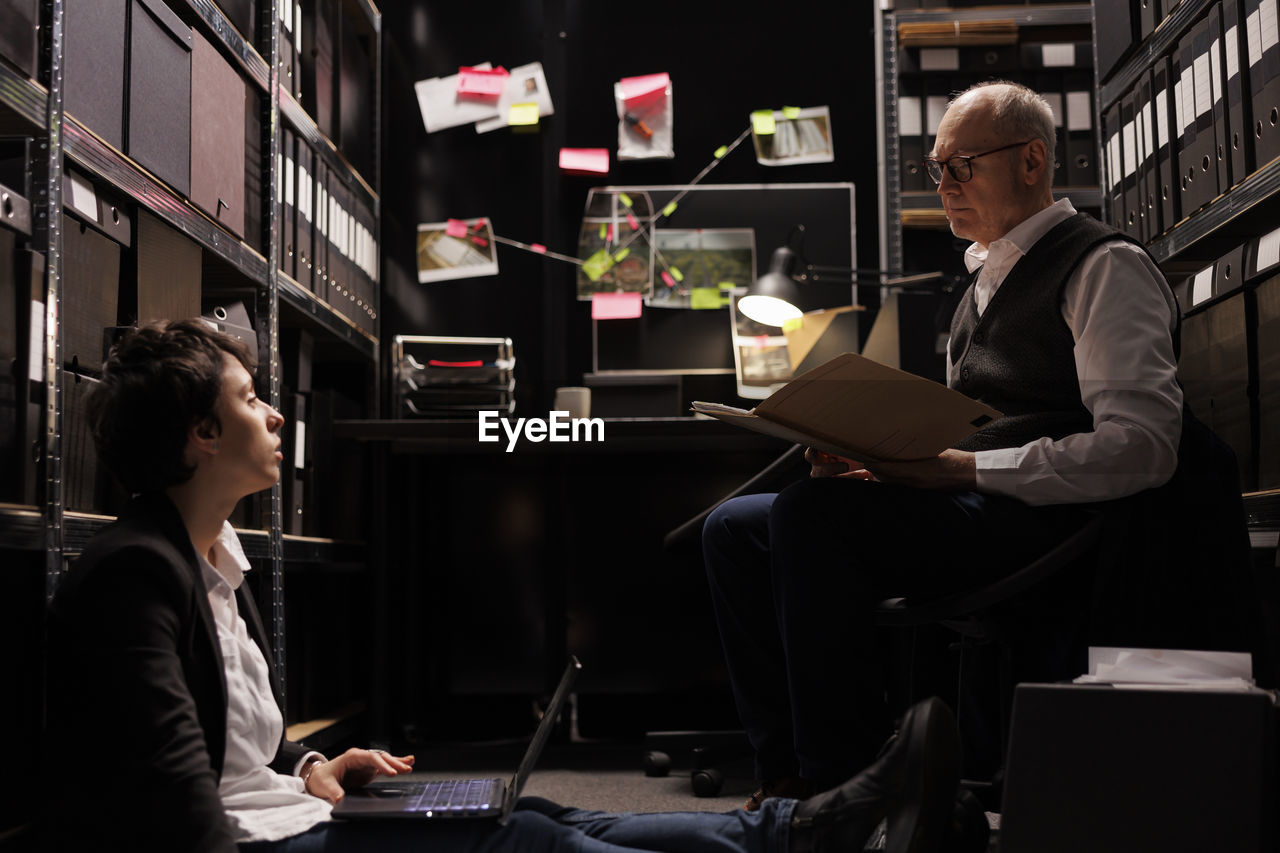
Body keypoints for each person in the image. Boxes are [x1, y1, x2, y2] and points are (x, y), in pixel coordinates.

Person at [44, 319, 972, 853]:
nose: (277, 410)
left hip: (291, 817)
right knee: (524, 843)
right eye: (250, 398)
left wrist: (316, 772)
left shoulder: (217, 561)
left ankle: (806, 831)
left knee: (539, 808)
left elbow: (228, 772)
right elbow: (180, 818)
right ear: (202, 434)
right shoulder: (139, 575)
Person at [702, 80, 1187, 810]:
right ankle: (790, 777)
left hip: (1045, 515)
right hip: (974, 495)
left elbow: (1143, 447)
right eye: (938, 170)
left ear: (1030, 161)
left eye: (962, 166)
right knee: (733, 529)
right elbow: (971, 430)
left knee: (808, 515)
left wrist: (964, 467)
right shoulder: (980, 286)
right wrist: (876, 461)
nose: (944, 187)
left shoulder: (1102, 266)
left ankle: (848, 791)